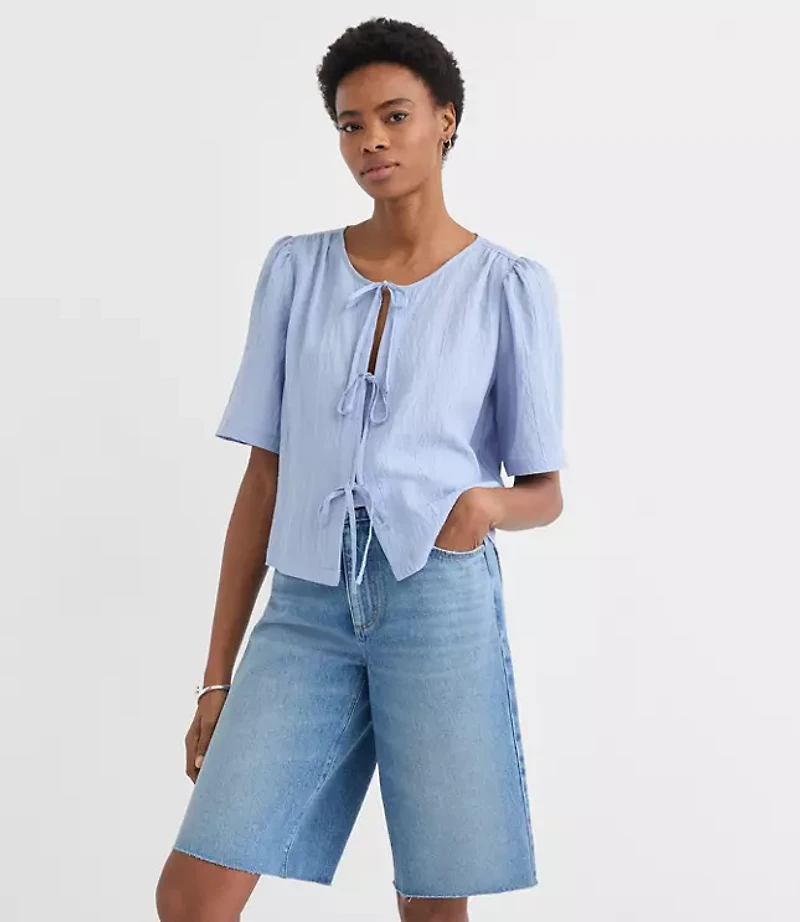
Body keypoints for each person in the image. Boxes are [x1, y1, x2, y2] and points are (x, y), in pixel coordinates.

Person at [156, 15, 566, 922]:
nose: (371, 140)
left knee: (432, 906)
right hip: (304, 610)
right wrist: (217, 675)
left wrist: (479, 508)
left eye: (394, 116)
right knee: (191, 895)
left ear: (446, 120)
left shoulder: (507, 287)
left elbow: (545, 495)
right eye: (350, 124)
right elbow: (264, 481)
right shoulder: (296, 272)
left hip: (439, 603)